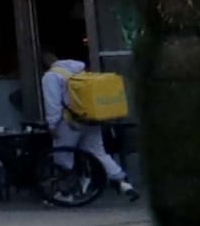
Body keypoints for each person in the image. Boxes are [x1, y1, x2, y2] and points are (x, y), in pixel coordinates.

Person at [40, 50, 136, 195]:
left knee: (63, 155)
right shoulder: (79, 71)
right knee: (98, 152)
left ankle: (67, 191)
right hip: (90, 118)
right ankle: (122, 181)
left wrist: (52, 124)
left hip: (69, 123)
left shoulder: (50, 76)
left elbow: (53, 103)